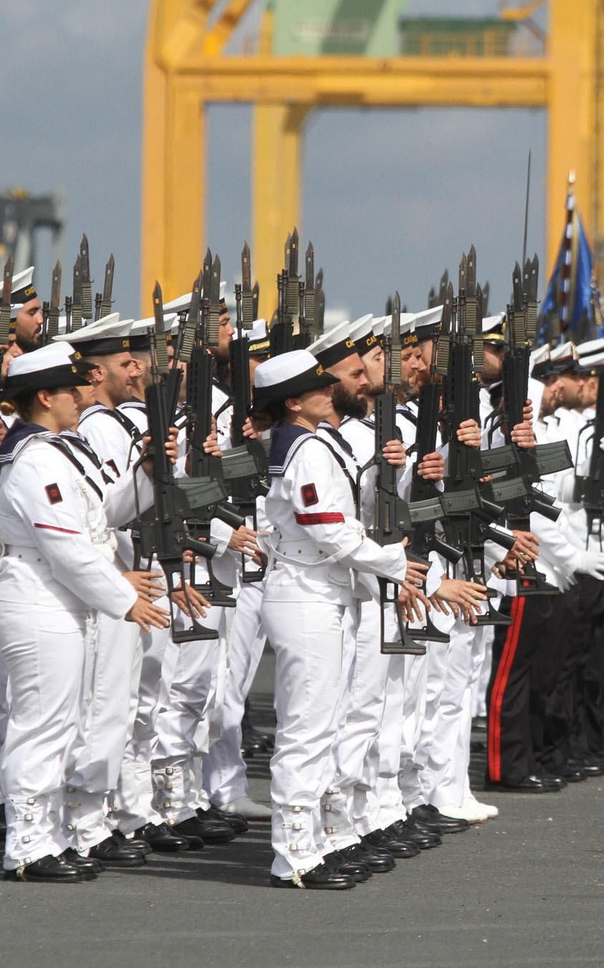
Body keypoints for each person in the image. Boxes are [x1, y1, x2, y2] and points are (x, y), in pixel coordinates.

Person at [0, 343, 171, 882]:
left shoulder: (60, 450)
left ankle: (49, 835)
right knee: (41, 726)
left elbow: (104, 513)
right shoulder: (36, 459)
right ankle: (26, 844)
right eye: (71, 389)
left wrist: (148, 471)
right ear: (44, 396)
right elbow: (66, 545)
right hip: (39, 600)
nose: (82, 395)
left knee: (62, 725)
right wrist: (123, 599)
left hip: (61, 600)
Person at [250, 348, 428, 889]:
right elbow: (329, 530)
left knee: (326, 725)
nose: (332, 392)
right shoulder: (305, 451)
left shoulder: (312, 443)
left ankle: (322, 839)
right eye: (319, 388)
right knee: (307, 731)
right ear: (294, 402)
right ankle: (294, 854)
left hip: (322, 592)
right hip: (306, 595)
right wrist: (396, 563)